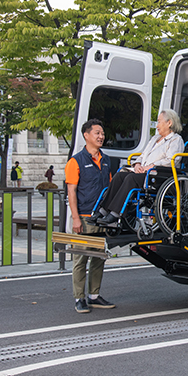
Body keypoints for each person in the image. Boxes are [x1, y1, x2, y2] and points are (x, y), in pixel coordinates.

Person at [94, 109, 185, 226]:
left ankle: (116, 213)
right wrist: (137, 165)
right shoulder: (154, 139)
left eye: (159, 122)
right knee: (119, 176)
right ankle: (103, 210)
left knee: (130, 179)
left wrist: (149, 167)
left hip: (159, 175)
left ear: (169, 123)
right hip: (145, 173)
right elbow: (142, 156)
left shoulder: (176, 140)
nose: (156, 126)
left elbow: (171, 160)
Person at [65, 119, 119, 314]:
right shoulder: (76, 161)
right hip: (85, 217)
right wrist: (76, 218)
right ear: (86, 135)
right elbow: (71, 191)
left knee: (98, 258)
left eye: (102, 133)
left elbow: (111, 188)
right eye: (97, 133)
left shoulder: (106, 160)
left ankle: (94, 296)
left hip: (101, 218)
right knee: (80, 258)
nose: (101, 136)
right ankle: (79, 298)